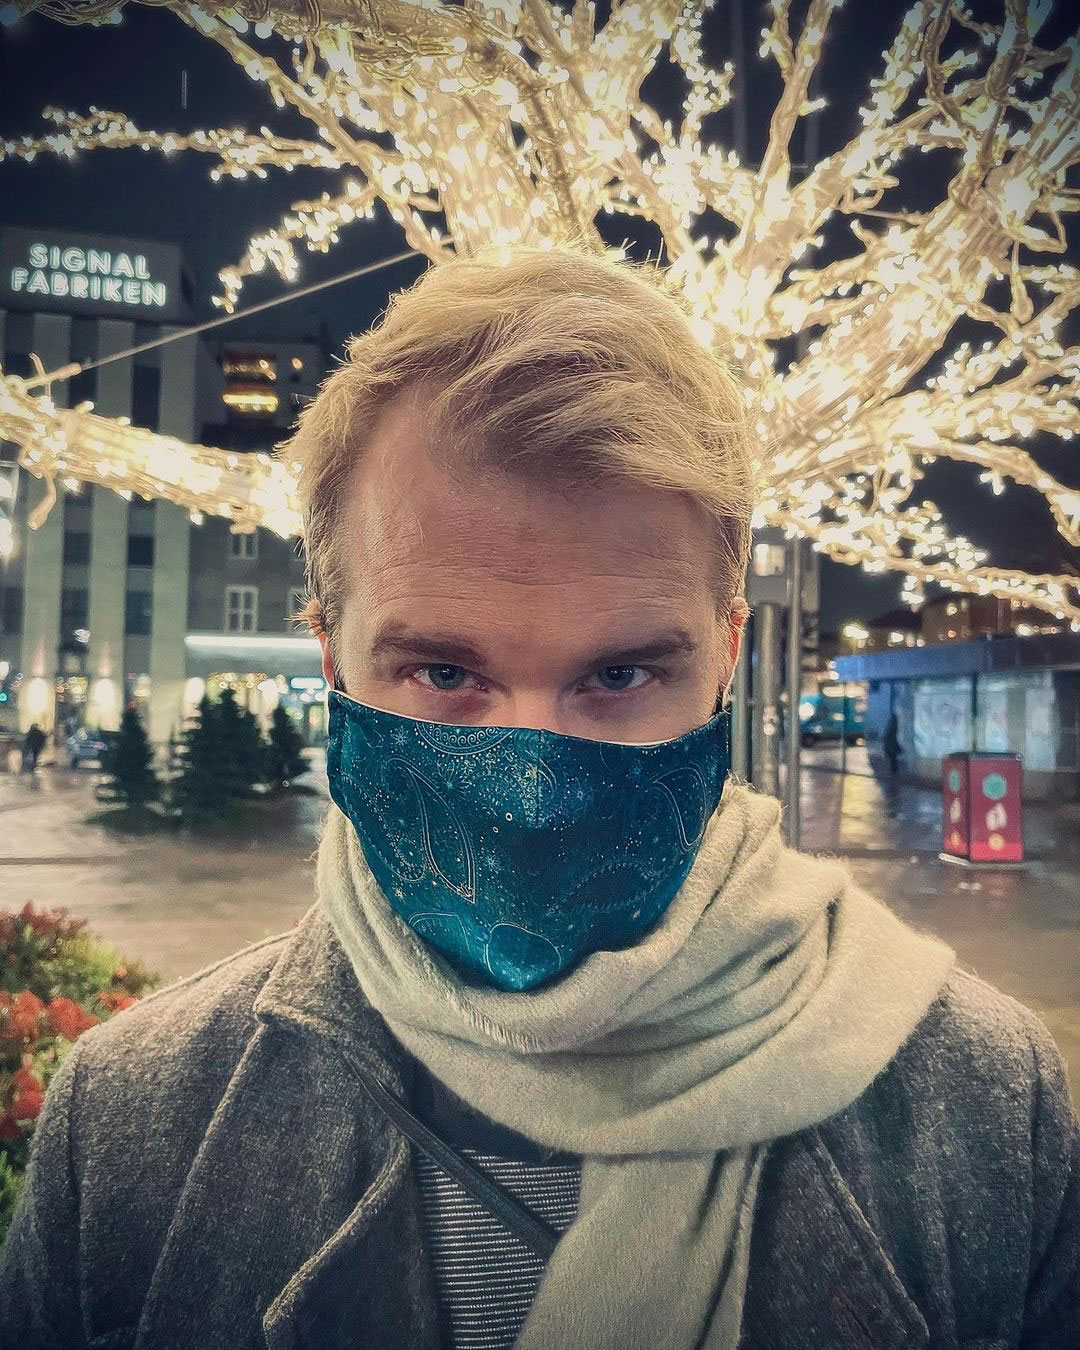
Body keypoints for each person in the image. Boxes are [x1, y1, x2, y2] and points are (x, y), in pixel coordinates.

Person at [2, 243, 1077, 1350]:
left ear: (726, 657)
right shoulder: (130, 1127)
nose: (532, 793)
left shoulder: (988, 1113)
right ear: (331, 660)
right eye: (443, 672)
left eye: (620, 675)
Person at [882, 710, 903, 775]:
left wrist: (886, 738)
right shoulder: (894, 724)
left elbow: (889, 733)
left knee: (892, 757)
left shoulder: (892, 725)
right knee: (893, 757)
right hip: (892, 742)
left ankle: (894, 770)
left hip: (891, 743)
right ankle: (894, 769)